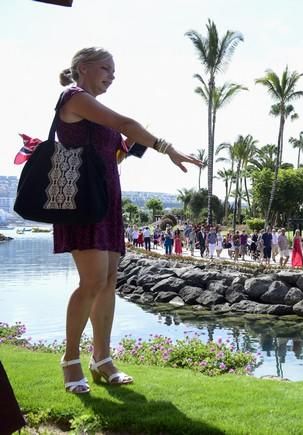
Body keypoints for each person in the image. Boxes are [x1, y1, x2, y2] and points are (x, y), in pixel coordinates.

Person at [54, 47, 200, 394]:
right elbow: (124, 123)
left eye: (114, 71)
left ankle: (102, 359)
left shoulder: (95, 110)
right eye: (106, 68)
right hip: (83, 201)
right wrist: (167, 148)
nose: (112, 75)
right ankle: (70, 360)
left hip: (107, 199)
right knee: (91, 282)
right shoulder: (74, 97)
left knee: (107, 282)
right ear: (83, 68)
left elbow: (117, 152)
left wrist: (131, 145)